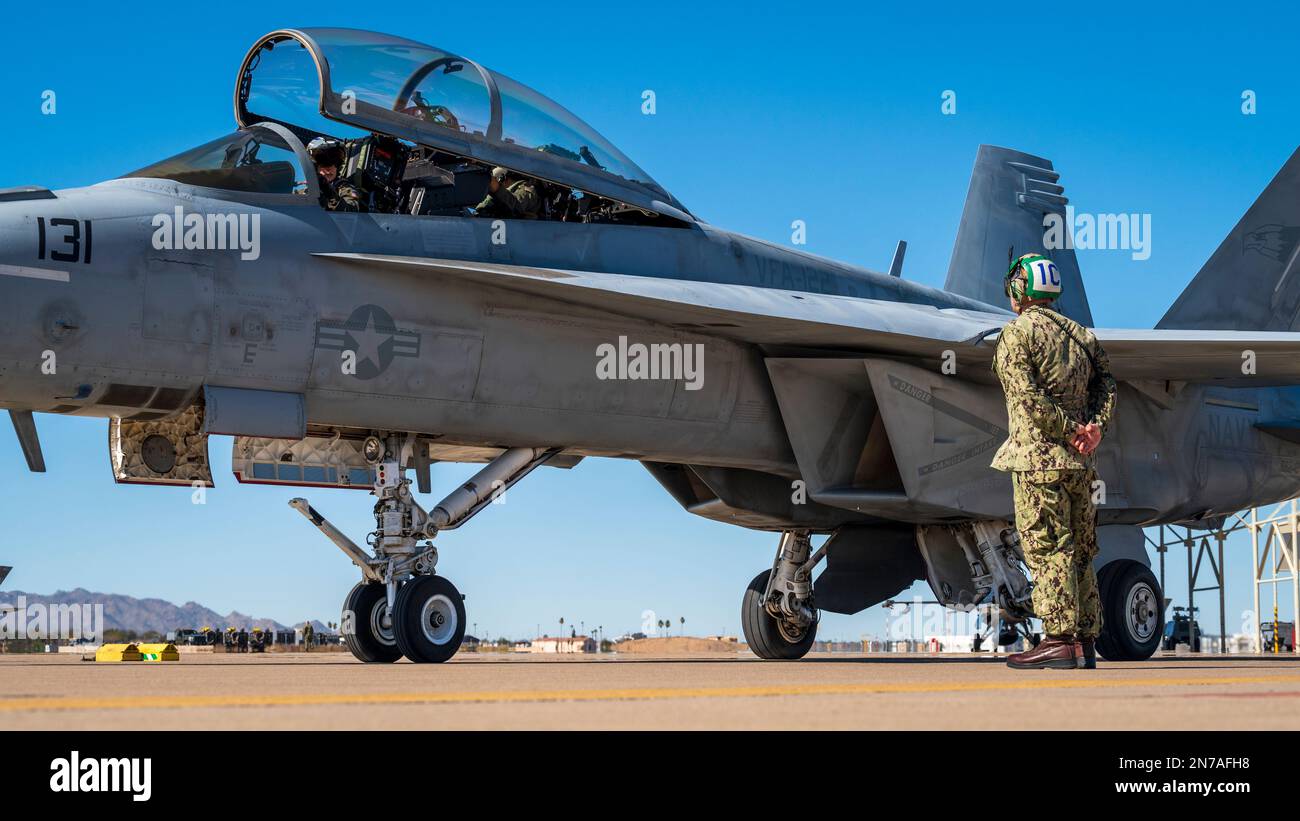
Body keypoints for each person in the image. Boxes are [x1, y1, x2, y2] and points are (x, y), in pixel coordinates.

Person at [992, 254, 1117, 670]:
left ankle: (1057, 640)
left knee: (1049, 547)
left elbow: (1026, 397)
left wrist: (1067, 430)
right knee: (1082, 550)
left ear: (1018, 290)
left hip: (1038, 461)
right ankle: (1084, 642)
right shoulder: (1081, 335)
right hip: (1081, 465)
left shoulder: (1017, 334)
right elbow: (1108, 386)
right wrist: (1093, 428)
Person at [306, 137, 362, 212]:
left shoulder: (344, 188)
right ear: (315, 166)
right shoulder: (304, 189)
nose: (330, 167)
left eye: (335, 161)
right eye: (324, 161)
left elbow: (351, 213)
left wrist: (328, 192)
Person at [475, 166, 540, 219]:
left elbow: (518, 206)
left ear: (503, 178)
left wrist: (497, 189)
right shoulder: (504, 196)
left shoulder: (525, 188)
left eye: (497, 181)